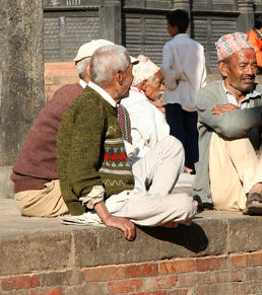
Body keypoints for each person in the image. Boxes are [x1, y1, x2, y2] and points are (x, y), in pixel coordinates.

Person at [57, 44, 198, 240]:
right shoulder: (91, 106)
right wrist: (106, 217)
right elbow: (80, 170)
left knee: (172, 146)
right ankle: (151, 210)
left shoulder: (106, 104)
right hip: (110, 200)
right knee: (186, 205)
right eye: (131, 74)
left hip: (126, 186)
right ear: (119, 76)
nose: (133, 79)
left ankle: (150, 206)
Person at [193, 32, 262, 216]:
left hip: (259, 194)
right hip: (226, 189)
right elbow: (229, 127)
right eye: (243, 66)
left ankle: (258, 190)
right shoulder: (206, 95)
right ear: (224, 69)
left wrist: (244, 116)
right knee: (231, 130)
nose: (250, 72)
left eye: (254, 65)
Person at [11, 39, 114, 217]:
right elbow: (84, 167)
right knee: (121, 186)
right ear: (91, 70)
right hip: (42, 194)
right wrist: (106, 215)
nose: (122, 75)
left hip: (42, 189)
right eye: (115, 67)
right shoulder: (82, 100)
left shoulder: (76, 93)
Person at [162, 8, 207, 174]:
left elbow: (166, 69)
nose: (167, 28)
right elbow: (202, 75)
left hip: (175, 97)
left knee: (176, 136)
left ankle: (179, 170)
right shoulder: (198, 47)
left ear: (175, 27)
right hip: (193, 98)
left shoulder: (170, 46)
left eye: (168, 25)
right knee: (192, 136)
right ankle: (194, 170)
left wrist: (172, 83)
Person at [121, 55, 170, 164]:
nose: (162, 88)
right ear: (144, 84)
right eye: (160, 83)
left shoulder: (123, 99)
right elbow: (161, 142)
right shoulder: (142, 106)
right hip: (143, 163)